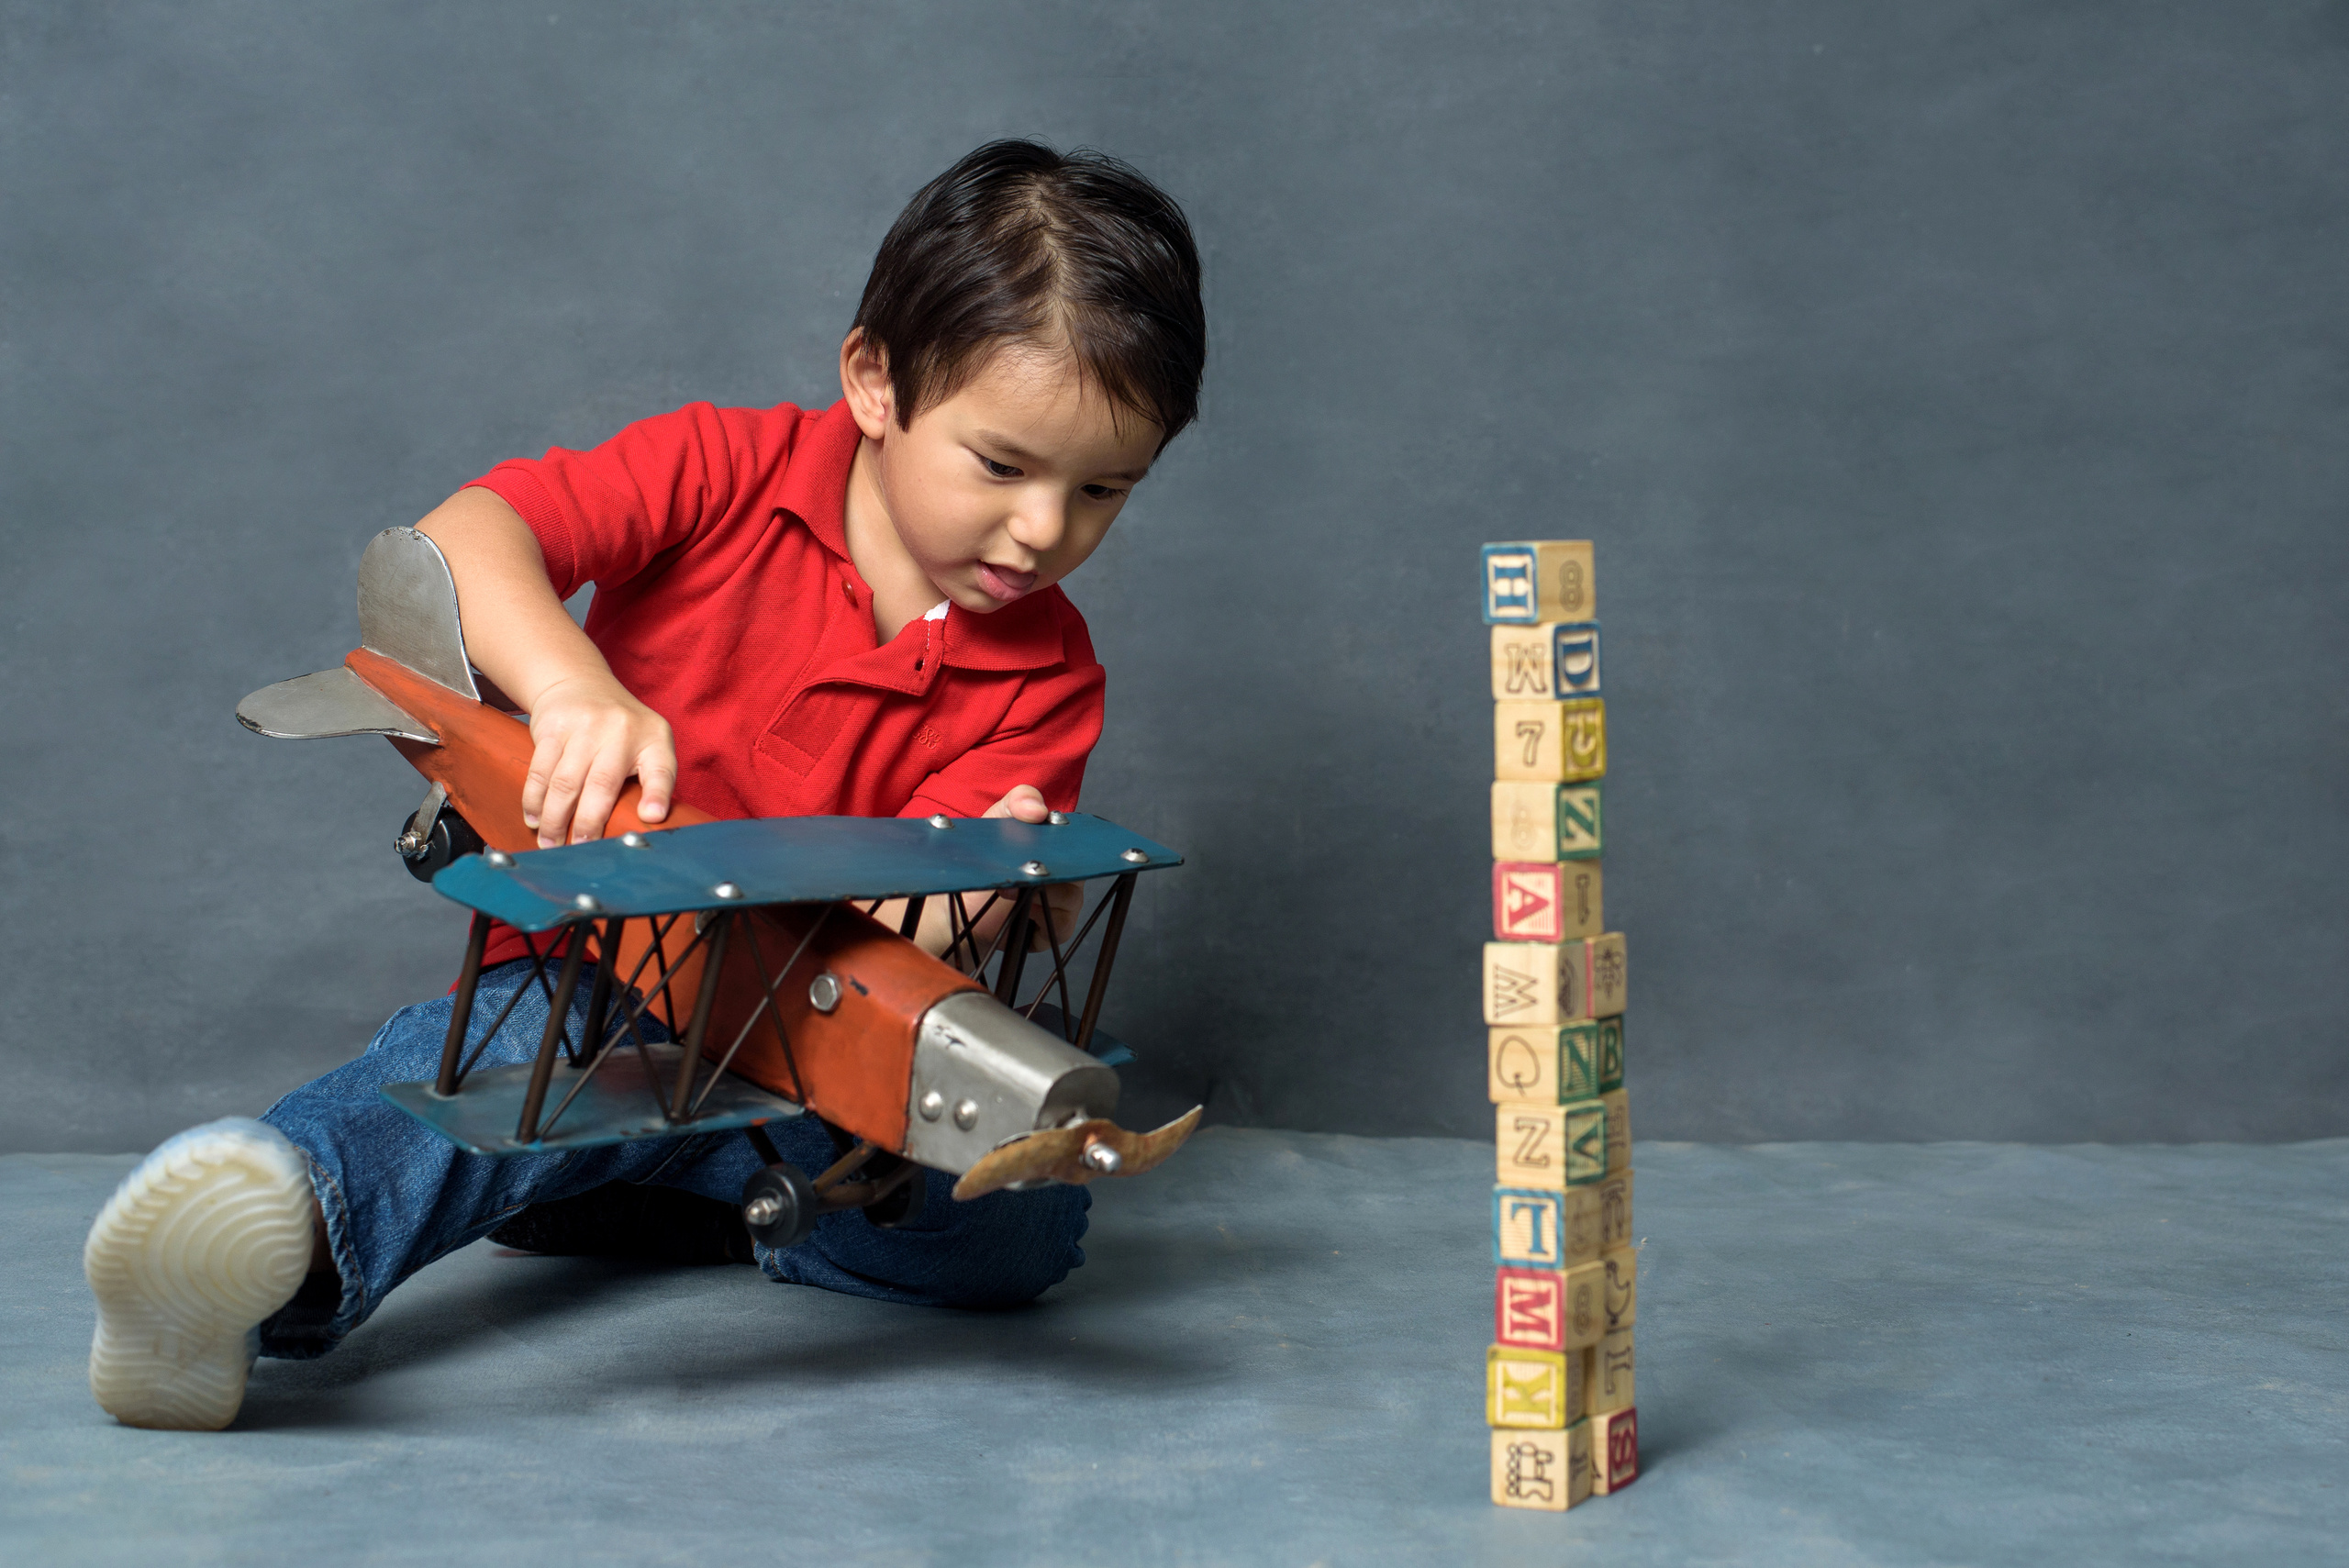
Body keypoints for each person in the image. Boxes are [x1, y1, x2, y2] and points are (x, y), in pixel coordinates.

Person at [81, 139, 1207, 1431]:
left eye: (1104, 489)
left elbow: (906, 938)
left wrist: (993, 897)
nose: (1044, 529)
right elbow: (457, 540)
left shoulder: (1048, 669)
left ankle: (632, 1183)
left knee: (1023, 1229)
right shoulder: (716, 467)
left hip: (796, 1047)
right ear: (875, 382)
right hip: (598, 984)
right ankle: (258, 1234)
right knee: (505, 1066)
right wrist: (569, 686)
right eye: (1003, 466)